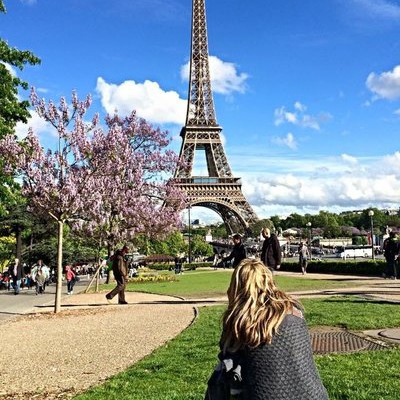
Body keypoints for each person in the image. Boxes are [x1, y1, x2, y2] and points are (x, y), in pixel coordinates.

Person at [212, 259, 328, 399]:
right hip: (315, 395)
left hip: (265, 395)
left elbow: (227, 358)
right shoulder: (295, 311)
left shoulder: (240, 321)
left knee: (220, 376)